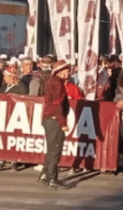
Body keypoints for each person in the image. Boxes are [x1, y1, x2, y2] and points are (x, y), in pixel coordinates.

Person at [40, 60, 71, 189]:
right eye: (67, 70)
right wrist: (62, 122)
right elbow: (57, 104)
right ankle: (52, 178)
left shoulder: (50, 82)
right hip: (54, 119)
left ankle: (45, 174)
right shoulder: (58, 84)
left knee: (51, 148)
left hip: (48, 119)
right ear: (61, 72)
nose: (69, 73)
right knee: (56, 149)